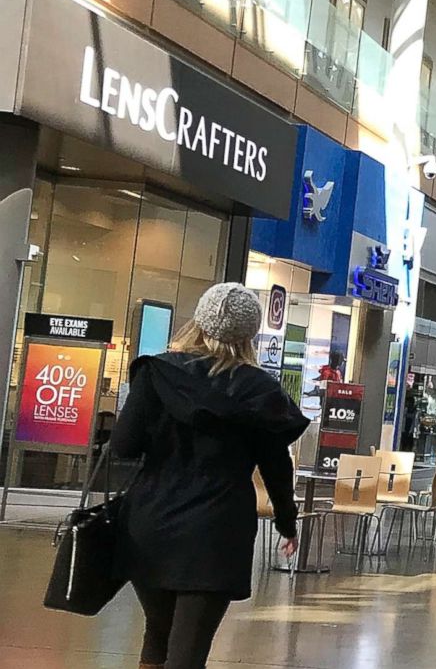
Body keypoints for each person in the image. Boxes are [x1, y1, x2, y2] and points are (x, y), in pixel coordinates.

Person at [112, 283, 310, 669]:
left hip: (150, 522)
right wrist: (287, 521)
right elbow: (276, 466)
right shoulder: (262, 391)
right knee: (188, 651)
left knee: (157, 633)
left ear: (199, 321)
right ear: (249, 333)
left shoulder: (156, 373)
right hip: (217, 530)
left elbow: (123, 446)